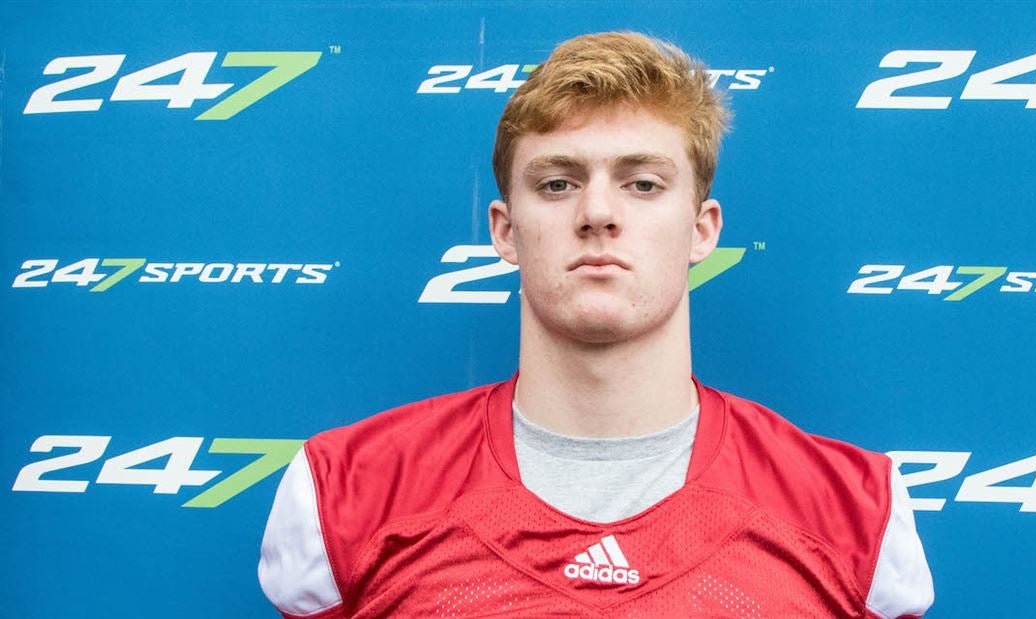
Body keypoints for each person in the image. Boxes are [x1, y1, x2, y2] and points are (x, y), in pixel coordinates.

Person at [258, 32, 933, 618]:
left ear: (702, 229)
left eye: (642, 183)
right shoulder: (349, 492)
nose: (598, 212)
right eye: (558, 182)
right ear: (505, 230)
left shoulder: (852, 513)